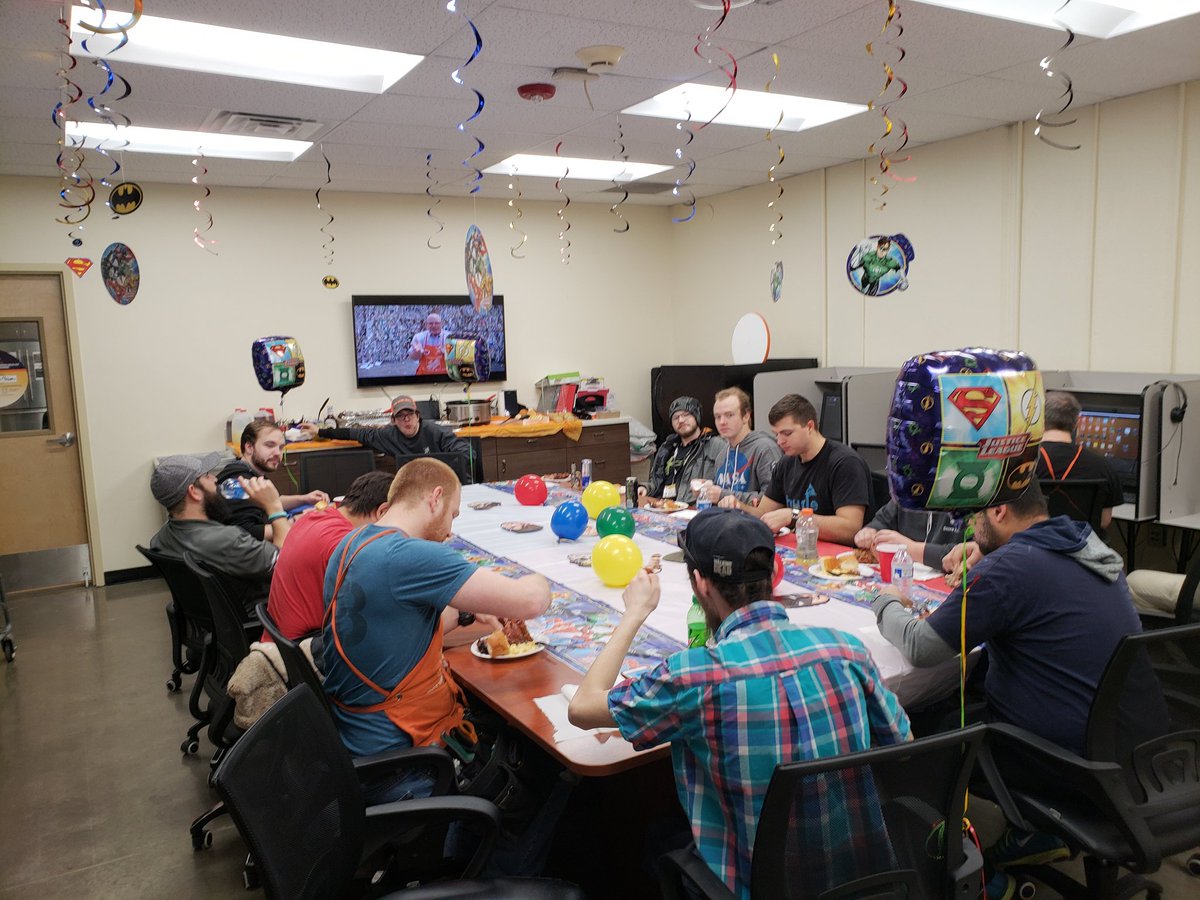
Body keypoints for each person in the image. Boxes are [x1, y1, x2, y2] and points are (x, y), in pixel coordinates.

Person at [568, 508, 911, 898]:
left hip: (756, 884)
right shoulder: (847, 649)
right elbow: (904, 744)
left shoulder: (693, 676)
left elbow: (581, 708)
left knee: (650, 838)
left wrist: (634, 613)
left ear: (700, 585)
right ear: (773, 573)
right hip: (861, 878)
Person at [321, 457, 550, 762]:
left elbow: (397, 621)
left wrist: (468, 612)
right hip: (405, 754)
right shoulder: (412, 555)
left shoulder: (351, 544)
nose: (449, 530)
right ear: (436, 498)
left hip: (358, 738)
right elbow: (531, 602)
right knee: (536, 743)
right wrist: (540, 576)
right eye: (453, 514)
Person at [148, 452, 290, 615]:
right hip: (260, 616)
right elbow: (286, 564)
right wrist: (274, 507)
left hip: (215, 622)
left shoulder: (161, 539)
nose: (216, 479)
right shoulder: (227, 539)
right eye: (207, 476)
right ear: (194, 491)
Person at [262, 470, 392, 643]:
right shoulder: (346, 543)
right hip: (303, 651)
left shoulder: (313, 517)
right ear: (382, 512)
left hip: (280, 642)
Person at [752, 393, 872, 544]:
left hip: (840, 556)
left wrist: (794, 516)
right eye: (776, 434)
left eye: (787, 433)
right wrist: (736, 506)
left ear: (809, 426)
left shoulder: (845, 463)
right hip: (802, 548)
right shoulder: (786, 462)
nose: (780, 441)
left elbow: (850, 529)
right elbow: (764, 513)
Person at [216, 419, 329, 540]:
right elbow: (246, 533)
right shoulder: (238, 483)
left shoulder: (251, 472)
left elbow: (271, 501)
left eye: (281, 447)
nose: (277, 453)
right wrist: (297, 521)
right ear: (249, 447)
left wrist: (304, 499)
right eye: (269, 445)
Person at [1036, 391, 1124, 531]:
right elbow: (1104, 521)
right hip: (1081, 548)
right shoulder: (1102, 465)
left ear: (1039, 419)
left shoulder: (1024, 463)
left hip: (1033, 547)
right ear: (1078, 421)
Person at [299, 395, 470, 464]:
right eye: (400, 416)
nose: (406, 420)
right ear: (393, 421)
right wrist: (320, 432)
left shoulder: (434, 431)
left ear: (418, 416)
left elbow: (467, 452)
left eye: (410, 414)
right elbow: (355, 433)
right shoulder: (387, 435)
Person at [641, 396, 726, 506]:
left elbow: (727, 484)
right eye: (676, 418)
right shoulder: (666, 448)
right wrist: (645, 488)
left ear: (697, 417)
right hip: (663, 507)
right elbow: (655, 482)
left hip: (696, 508)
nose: (681, 420)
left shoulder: (716, 445)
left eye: (686, 415)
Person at [704, 387, 781, 506]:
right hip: (723, 519)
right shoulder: (722, 454)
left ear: (746, 416)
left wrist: (722, 495)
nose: (722, 422)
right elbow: (721, 494)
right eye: (717, 417)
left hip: (753, 522)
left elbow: (773, 500)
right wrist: (707, 490)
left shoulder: (765, 448)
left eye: (729, 415)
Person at [854, 498, 966, 570]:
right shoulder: (909, 491)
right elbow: (883, 520)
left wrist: (910, 548)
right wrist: (870, 531)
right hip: (902, 576)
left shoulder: (973, 500)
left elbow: (972, 554)